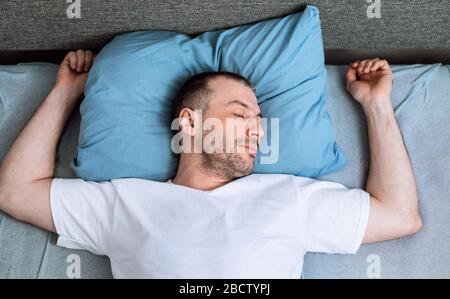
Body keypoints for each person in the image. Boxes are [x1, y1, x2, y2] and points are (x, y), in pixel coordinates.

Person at [0, 50, 421, 278]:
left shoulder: (290, 198)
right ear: (190, 122)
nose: (257, 131)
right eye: (241, 116)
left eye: (258, 123)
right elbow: (16, 192)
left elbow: (400, 216)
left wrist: (376, 105)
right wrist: (65, 95)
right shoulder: (126, 203)